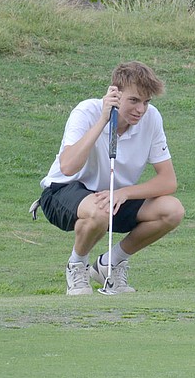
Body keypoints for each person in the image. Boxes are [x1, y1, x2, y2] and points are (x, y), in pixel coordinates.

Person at [35, 61, 184, 295]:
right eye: (134, 100)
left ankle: (109, 264)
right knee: (99, 210)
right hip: (62, 192)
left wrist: (124, 193)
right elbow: (68, 166)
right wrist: (103, 120)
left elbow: (168, 181)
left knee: (172, 210)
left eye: (146, 102)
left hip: (113, 196)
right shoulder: (87, 112)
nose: (141, 110)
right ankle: (77, 265)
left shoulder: (152, 118)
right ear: (114, 93)